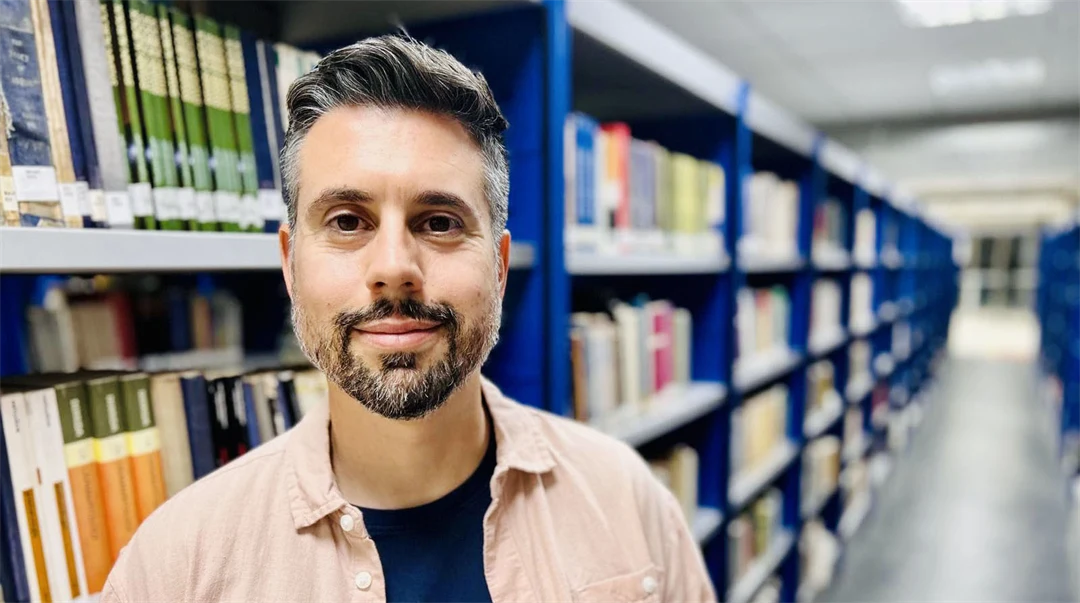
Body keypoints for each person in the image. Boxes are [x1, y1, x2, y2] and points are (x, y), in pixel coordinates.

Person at [103, 34, 715, 602]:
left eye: (439, 222)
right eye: (347, 221)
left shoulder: (628, 501)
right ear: (290, 266)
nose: (394, 267)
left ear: (498, 269)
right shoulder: (173, 569)